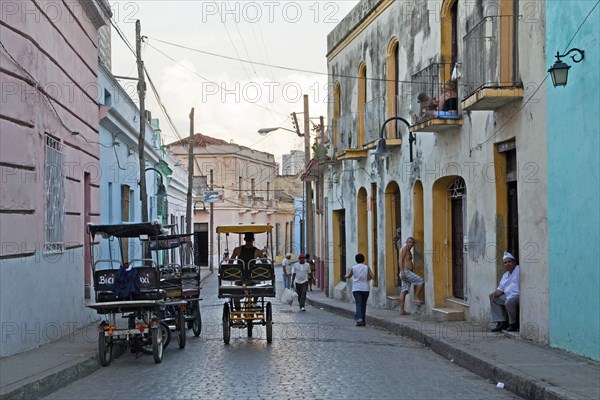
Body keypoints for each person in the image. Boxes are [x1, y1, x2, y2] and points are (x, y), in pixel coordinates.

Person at [489, 251, 520, 332]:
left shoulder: (518, 270)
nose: (507, 264)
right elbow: (500, 289)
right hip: (508, 295)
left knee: (508, 302)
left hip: (518, 296)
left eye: (509, 262)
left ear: (514, 262)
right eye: (505, 263)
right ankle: (501, 322)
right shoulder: (505, 275)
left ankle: (513, 324)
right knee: (492, 297)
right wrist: (495, 293)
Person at [398, 237, 425, 315]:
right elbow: (400, 261)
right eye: (409, 242)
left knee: (404, 290)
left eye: (412, 242)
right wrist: (402, 272)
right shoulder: (403, 249)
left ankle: (402, 310)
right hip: (405, 272)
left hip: (407, 271)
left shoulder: (408, 250)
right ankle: (416, 298)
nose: (411, 244)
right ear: (406, 242)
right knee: (421, 281)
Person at [345, 253, 373, 326]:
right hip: (365, 288)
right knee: (363, 305)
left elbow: (349, 275)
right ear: (363, 260)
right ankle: (363, 319)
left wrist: (346, 276)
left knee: (358, 304)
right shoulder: (367, 267)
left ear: (356, 260)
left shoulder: (354, 268)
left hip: (356, 289)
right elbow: (373, 276)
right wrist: (367, 278)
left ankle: (359, 319)